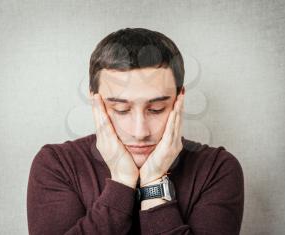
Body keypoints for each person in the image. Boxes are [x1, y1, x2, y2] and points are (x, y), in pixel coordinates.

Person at [27, 27, 244, 235]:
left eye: (156, 109)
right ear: (96, 103)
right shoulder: (57, 165)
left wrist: (154, 183)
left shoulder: (217, 169)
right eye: (121, 110)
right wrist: (122, 181)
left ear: (179, 100)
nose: (140, 132)